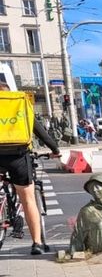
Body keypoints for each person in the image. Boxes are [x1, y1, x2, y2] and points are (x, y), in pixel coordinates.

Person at [0, 81, 60, 255]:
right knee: (28, 199)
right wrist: (55, 149)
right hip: (18, 156)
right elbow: (40, 131)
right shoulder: (19, 105)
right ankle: (37, 243)